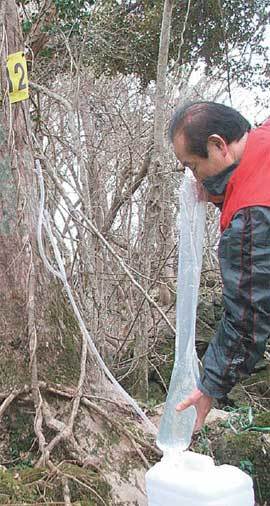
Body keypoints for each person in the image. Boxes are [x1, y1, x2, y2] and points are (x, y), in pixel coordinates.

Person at [169, 101, 270, 431]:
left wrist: (208, 387)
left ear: (218, 145)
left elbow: (247, 320)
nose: (195, 178)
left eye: (194, 166)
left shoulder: (252, 215)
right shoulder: (262, 139)